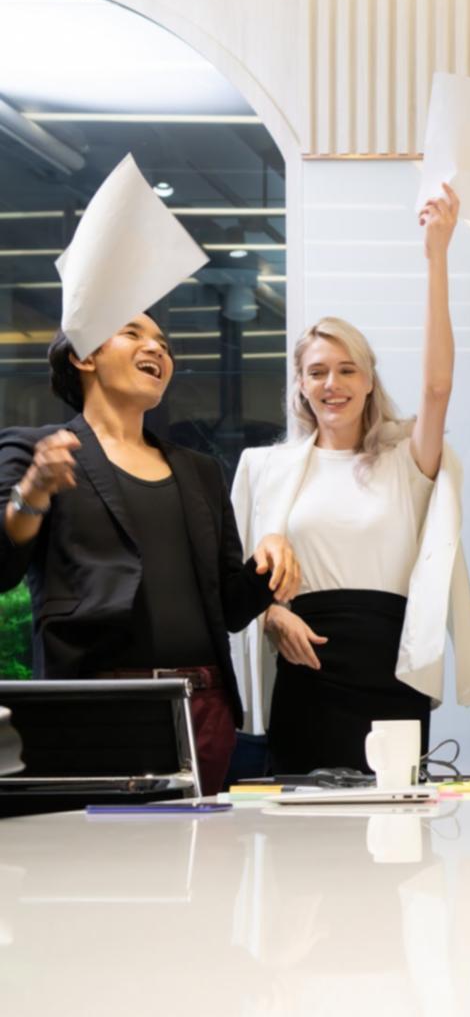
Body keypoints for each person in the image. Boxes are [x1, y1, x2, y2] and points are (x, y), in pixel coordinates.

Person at [232, 185, 470, 775]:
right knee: (303, 822)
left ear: (369, 381)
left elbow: (437, 388)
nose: (332, 384)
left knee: (394, 822)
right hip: (306, 667)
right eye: (317, 371)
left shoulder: (407, 462)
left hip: (391, 668)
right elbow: (236, 587)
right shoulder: (265, 470)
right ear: (300, 385)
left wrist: (438, 256)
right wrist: (271, 616)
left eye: (347, 369)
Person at [0, 315, 299, 795]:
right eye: (133, 333)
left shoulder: (200, 471)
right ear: (83, 357)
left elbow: (229, 608)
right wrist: (32, 491)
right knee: (98, 843)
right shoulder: (37, 450)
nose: (157, 349)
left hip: (203, 708)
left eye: (163, 342)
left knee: (197, 844)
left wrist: (267, 563)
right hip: (93, 707)